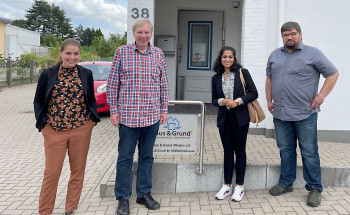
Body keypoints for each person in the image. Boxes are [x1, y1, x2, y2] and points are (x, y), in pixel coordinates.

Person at [266, 21, 339, 207]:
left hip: (305, 114)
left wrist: (321, 95)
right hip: (281, 113)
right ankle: (286, 183)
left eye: (292, 34)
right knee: (286, 150)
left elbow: (333, 73)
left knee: (309, 152)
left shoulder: (313, 53)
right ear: (282, 37)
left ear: (300, 34)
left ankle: (314, 188)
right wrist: (268, 100)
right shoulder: (274, 55)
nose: (289, 37)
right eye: (285, 35)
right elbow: (269, 78)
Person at [106, 18, 169, 215]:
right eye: (139, 32)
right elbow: (112, 84)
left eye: (146, 32)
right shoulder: (122, 52)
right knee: (125, 158)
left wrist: (164, 109)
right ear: (133, 34)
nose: (143, 36)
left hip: (151, 117)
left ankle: (144, 194)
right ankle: (123, 198)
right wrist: (113, 110)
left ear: (151, 34)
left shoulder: (158, 54)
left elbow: (164, 84)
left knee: (147, 157)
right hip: (128, 117)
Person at [34, 38, 100, 215]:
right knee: (51, 174)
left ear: (80, 55)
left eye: (76, 53)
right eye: (68, 53)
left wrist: (91, 122)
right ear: (61, 54)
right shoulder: (48, 73)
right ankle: (45, 211)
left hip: (81, 129)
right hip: (54, 131)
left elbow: (90, 99)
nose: (72, 57)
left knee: (77, 172)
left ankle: (70, 208)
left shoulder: (86, 73)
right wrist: (43, 127)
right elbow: (38, 100)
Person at [211, 46, 258, 202]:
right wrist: (222, 101)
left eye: (230, 57)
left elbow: (253, 93)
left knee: (240, 151)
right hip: (224, 120)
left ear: (234, 58)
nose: (227, 59)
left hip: (240, 119)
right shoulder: (216, 78)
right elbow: (213, 100)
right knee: (228, 152)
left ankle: (239, 186)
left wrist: (238, 102)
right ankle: (226, 186)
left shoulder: (242, 73)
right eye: (225, 57)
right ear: (220, 58)